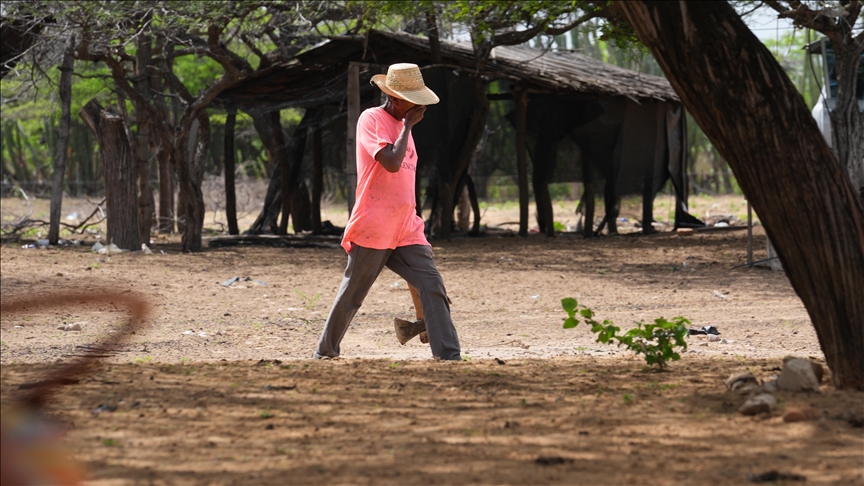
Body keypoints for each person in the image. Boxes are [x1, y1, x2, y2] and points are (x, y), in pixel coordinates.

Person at [313, 63, 462, 361]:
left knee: (432, 285)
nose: (419, 105)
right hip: (375, 223)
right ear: (394, 98)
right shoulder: (372, 119)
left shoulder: (406, 128)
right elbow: (392, 163)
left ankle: (448, 356)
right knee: (353, 293)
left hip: (406, 225)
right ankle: (325, 352)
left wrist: (407, 127)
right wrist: (407, 126)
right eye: (412, 99)